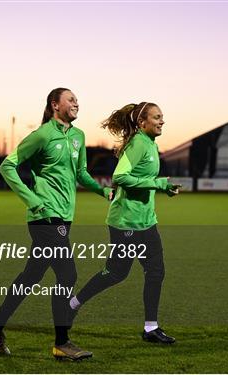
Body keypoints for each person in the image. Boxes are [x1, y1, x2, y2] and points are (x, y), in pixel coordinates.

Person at [0, 88, 113, 361]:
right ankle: (62, 343)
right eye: (71, 99)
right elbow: (8, 166)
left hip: (64, 217)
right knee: (67, 275)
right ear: (55, 105)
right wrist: (32, 200)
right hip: (44, 217)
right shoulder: (42, 134)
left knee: (31, 276)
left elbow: (82, 174)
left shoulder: (78, 136)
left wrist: (103, 191)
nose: (77, 102)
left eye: (78, 99)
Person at [69, 102, 180, 345]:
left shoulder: (150, 143)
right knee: (116, 273)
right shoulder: (140, 143)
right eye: (157, 117)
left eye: (163, 117)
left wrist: (163, 188)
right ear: (142, 123)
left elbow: (143, 179)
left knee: (156, 271)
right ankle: (73, 304)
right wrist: (158, 183)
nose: (162, 121)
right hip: (126, 222)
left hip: (146, 221)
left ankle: (151, 328)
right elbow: (120, 176)